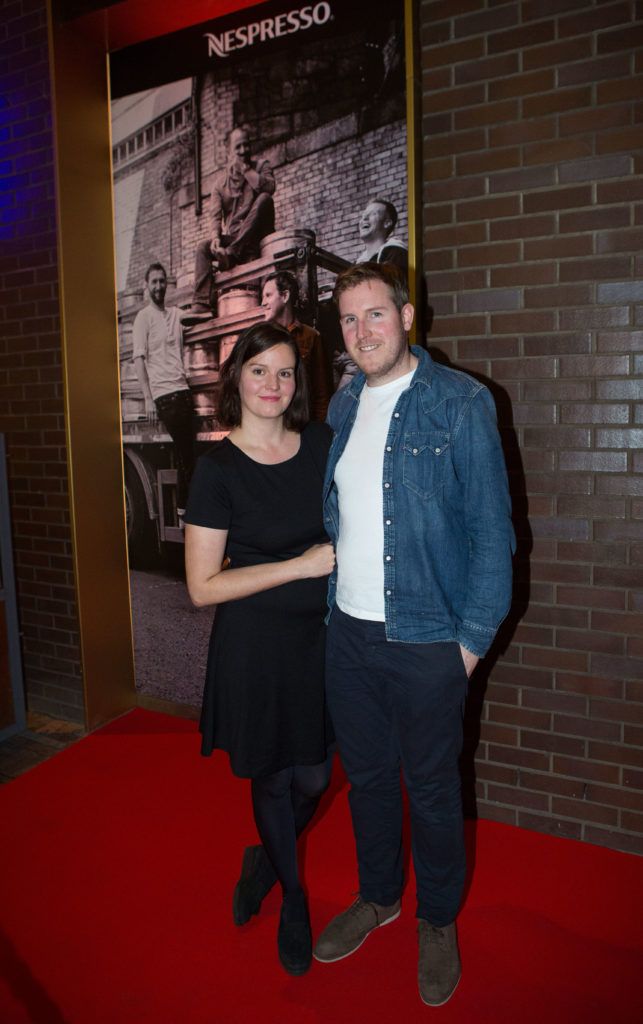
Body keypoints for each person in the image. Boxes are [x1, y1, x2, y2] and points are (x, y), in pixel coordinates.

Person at [313, 263, 515, 1006]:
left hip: (429, 639)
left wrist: (467, 645)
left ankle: (435, 920)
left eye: (374, 315)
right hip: (350, 635)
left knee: (430, 791)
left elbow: (493, 537)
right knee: (366, 780)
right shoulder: (341, 404)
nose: (361, 332)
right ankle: (377, 897)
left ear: (404, 317)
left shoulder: (460, 403)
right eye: (348, 320)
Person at [183, 322, 335, 977]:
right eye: (258, 371)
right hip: (255, 644)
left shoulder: (323, 444)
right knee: (275, 775)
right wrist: (299, 567)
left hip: (320, 641)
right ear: (235, 381)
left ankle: (264, 857)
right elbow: (201, 587)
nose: (272, 385)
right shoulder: (216, 469)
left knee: (316, 776)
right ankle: (293, 897)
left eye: (284, 373)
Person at [187, 127, 276, 320]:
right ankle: (201, 304)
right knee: (203, 247)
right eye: (238, 147)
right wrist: (216, 239)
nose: (244, 150)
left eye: (246, 144)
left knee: (264, 199)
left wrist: (246, 170)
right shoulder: (220, 185)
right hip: (235, 240)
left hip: (257, 236)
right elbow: (215, 217)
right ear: (229, 153)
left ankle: (231, 255)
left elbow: (269, 187)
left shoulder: (262, 166)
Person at [132, 261, 195, 518]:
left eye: (162, 281)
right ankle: (183, 512)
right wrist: (148, 398)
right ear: (147, 286)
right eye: (154, 282)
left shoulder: (175, 314)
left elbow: (195, 317)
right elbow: (139, 358)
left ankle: (185, 510)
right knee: (186, 452)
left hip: (183, 390)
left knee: (188, 452)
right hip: (164, 396)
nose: (158, 286)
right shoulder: (142, 318)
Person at [261, 270, 333, 421]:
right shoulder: (262, 338)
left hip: (302, 427)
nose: (263, 303)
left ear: (285, 296)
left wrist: (318, 434)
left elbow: (322, 395)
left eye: (268, 295)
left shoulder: (312, 337)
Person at [356, 197, 408, 280]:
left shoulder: (396, 253)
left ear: (387, 223)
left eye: (373, 213)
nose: (364, 218)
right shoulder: (358, 264)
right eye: (363, 215)